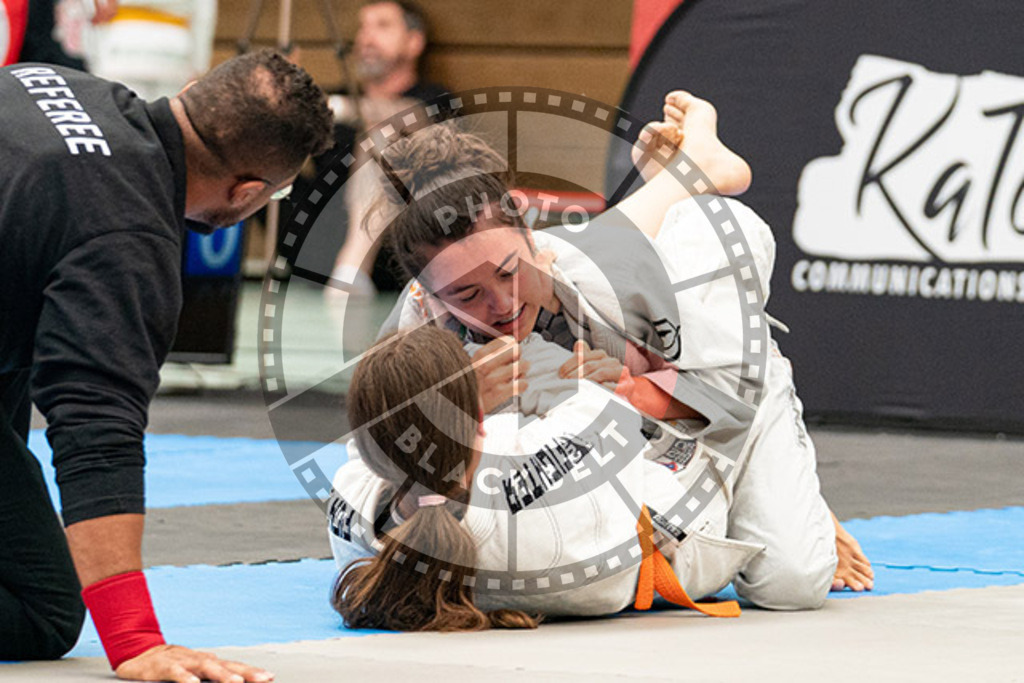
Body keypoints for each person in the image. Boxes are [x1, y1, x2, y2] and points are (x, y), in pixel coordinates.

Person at [360, 90, 874, 599]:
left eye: (510, 272)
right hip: (589, 387)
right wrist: (453, 410)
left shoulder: (613, 286)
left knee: (792, 581)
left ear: (533, 243)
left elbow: (730, 403)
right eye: (466, 295)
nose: (501, 304)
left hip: (710, 362)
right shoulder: (414, 344)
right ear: (426, 299)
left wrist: (635, 392)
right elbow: (380, 500)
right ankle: (682, 173)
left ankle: (699, 172)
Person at [0, 49, 332, 680]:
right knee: (41, 607)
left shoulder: (52, 79)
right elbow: (96, 428)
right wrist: (134, 638)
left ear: (189, 92)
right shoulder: (127, 236)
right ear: (249, 192)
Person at [330, 325, 755, 629]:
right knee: (750, 384)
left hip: (573, 534)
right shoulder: (547, 497)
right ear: (478, 417)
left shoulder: (356, 527)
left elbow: (371, 445)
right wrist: (468, 401)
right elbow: (604, 406)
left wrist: (456, 401)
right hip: (691, 525)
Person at [323, 0, 448, 295]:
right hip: (319, 234)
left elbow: (410, 115)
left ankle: (352, 267)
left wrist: (339, 107)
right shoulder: (334, 99)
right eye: (362, 27)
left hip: (398, 251)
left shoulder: (434, 98)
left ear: (414, 42)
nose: (366, 38)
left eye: (382, 26)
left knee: (386, 135)